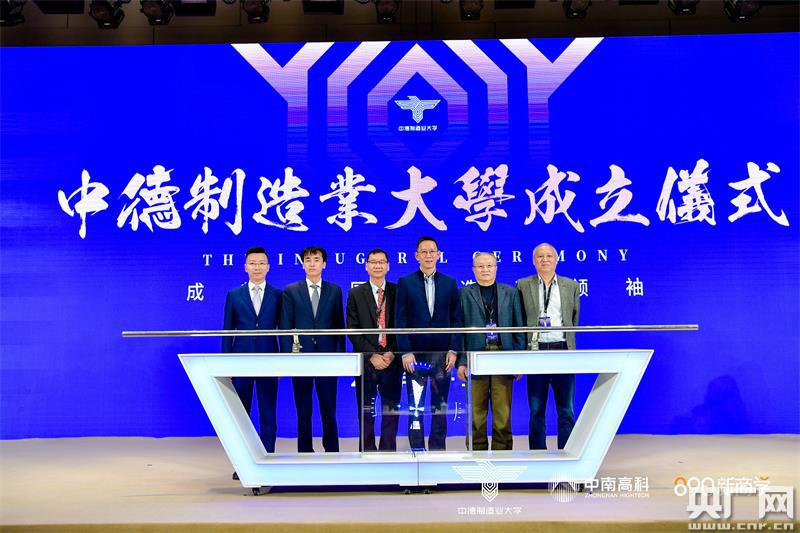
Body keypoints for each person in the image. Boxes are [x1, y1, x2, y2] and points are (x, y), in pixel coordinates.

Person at [395, 236, 463, 451]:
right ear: (416, 256)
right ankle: (417, 451)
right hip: (415, 356)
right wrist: (405, 352)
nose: (428, 255)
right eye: (423, 252)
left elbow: (457, 320)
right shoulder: (405, 282)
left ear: (439, 255)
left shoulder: (450, 283)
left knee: (439, 406)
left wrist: (453, 349)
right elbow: (400, 321)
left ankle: (437, 450)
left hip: (442, 355)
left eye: (432, 251)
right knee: (415, 406)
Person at [222, 246, 282, 479]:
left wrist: (282, 362)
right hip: (241, 361)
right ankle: (243, 463)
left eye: (261, 263)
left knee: (268, 413)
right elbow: (227, 332)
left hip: (269, 360)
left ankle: (268, 460)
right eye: (253, 263)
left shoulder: (278, 295)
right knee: (241, 415)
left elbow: (284, 330)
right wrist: (226, 364)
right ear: (245, 267)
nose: (257, 267)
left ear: (268, 267)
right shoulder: (234, 295)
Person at [457, 252, 526, 451]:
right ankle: (476, 455)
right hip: (475, 357)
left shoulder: (510, 293)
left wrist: (519, 361)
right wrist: (461, 362)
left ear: (496, 268)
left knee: (502, 413)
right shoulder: (464, 294)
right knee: (476, 414)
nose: (485, 270)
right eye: (480, 266)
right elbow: (458, 330)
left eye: (489, 266)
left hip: (503, 357)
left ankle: (502, 455)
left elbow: (519, 329)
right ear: (473, 270)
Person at [279, 246, 345, 453]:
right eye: (308, 260)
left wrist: (340, 358)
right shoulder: (291, 290)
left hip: (327, 358)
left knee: (329, 407)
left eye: (316, 259)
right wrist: (287, 358)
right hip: (301, 357)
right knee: (303, 408)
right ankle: (305, 450)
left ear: (324, 264)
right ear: (303, 264)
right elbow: (285, 326)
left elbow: (339, 326)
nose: (312, 263)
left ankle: (332, 450)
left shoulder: (334, 290)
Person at [516, 243, 581, 450]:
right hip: (536, 351)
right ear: (533, 261)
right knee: (536, 410)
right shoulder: (522, 285)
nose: (545, 260)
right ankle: (537, 454)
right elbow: (519, 320)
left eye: (549, 256)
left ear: (556, 259)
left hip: (563, 350)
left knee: (566, 409)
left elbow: (573, 319)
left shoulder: (571, 285)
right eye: (540, 256)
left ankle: (567, 454)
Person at [346, 249, 401, 452]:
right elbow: (353, 329)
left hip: (392, 359)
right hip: (366, 360)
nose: (378, 266)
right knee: (366, 409)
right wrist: (372, 355)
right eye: (373, 262)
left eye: (382, 262)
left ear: (388, 266)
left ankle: (388, 451)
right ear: (366, 266)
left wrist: (391, 352)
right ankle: (367, 451)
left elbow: (403, 325)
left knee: (391, 409)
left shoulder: (398, 291)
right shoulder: (355, 293)